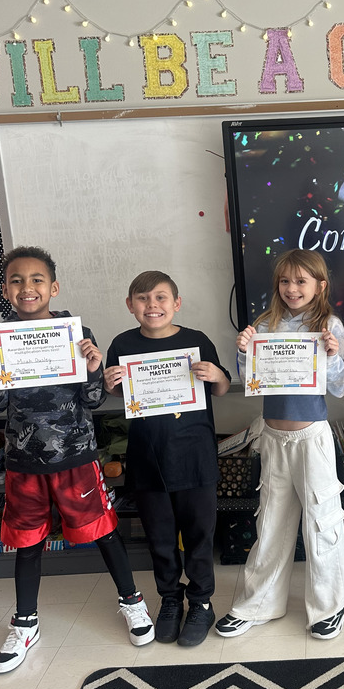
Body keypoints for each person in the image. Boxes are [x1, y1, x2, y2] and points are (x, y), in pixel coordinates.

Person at [0, 246, 154, 674]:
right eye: (17, 280)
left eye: (37, 279)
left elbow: (92, 400)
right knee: (27, 543)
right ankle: (25, 623)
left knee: (103, 531)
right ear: (6, 290)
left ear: (53, 288)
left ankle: (132, 602)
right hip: (24, 460)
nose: (27, 287)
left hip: (76, 456)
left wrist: (93, 368)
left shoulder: (76, 332)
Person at [215, 249, 344, 640]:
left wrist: (332, 355)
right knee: (271, 522)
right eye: (285, 281)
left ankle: (331, 605)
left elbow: (342, 387)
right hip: (273, 438)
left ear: (319, 286)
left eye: (301, 281)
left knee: (322, 521)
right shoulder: (265, 324)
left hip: (311, 438)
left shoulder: (329, 325)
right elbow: (252, 381)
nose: (292, 288)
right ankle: (258, 603)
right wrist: (244, 352)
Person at [104, 271, 231, 646]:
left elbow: (221, 388)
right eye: (142, 298)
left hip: (195, 457)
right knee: (160, 538)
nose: (152, 305)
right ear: (130, 305)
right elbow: (119, 394)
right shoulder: (122, 344)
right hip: (148, 459)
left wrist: (217, 374)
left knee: (199, 536)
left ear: (176, 303)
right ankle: (171, 600)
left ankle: (202, 603)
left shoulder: (197, 340)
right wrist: (110, 385)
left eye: (160, 297)